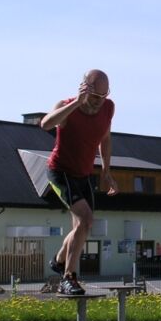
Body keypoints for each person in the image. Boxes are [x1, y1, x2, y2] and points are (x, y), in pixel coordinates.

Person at [40, 70, 118, 295]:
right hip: (60, 171)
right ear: (84, 89)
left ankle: (58, 260)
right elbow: (45, 124)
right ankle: (68, 277)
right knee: (86, 218)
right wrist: (76, 103)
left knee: (82, 227)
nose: (97, 102)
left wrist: (106, 170)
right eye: (94, 97)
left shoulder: (108, 107)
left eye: (102, 97)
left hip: (83, 174)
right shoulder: (67, 107)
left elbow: (105, 138)